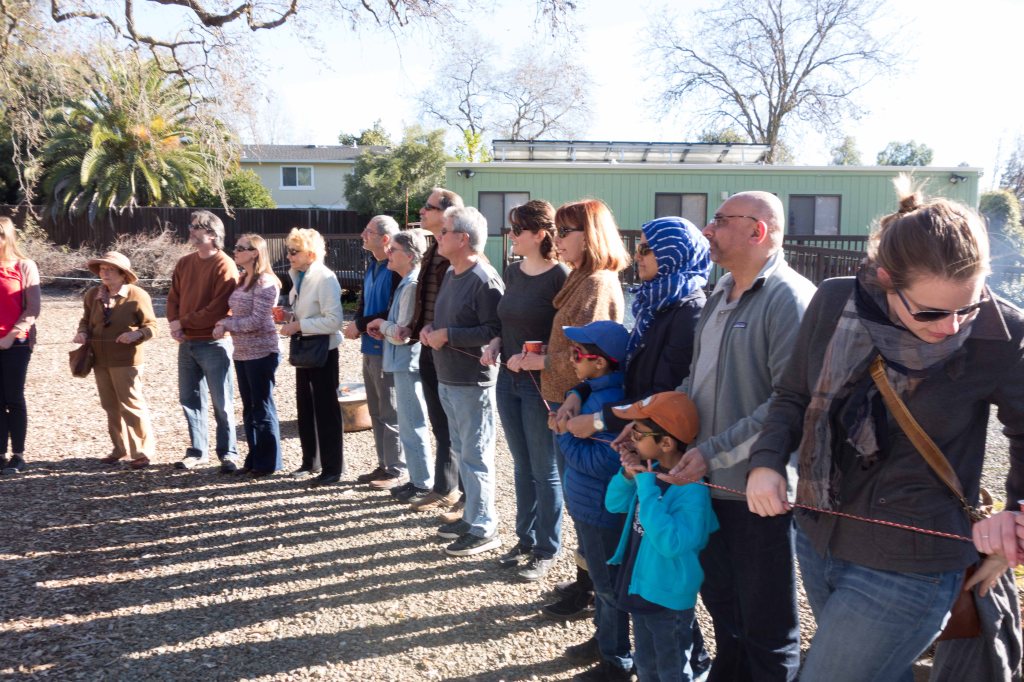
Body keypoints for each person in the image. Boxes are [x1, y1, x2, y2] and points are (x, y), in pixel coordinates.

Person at [746, 178, 1024, 681]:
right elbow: (792, 395)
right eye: (932, 312)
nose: (952, 326)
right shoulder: (835, 301)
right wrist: (766, 462)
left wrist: (1016, 521)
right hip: (819, 535)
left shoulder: (1001, 332)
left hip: (914, 564)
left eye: (968, 306)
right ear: (885, 280)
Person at [657, 191, 815, 682]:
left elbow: (790, 404)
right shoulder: (719, 293)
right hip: (708, 484)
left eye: (720, 220)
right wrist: (655, 426)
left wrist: (711, 452)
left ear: (757, 230)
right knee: (726, 613)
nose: (707, 230)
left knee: (767, 629)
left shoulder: (790, 298)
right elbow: (695, 381)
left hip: (758, 494)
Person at [557, 216, 713, 675]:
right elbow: (622, 373)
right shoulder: (656, 302)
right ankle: (630, 649)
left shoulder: (689, 310)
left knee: (660, 566)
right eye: (638, 246)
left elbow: (663, 391)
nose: (638, 256)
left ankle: (683, 658)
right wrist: (578, 392)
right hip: (640, 435)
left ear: (672, 255)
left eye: (647, 249)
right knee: (634, 562)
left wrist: (602, 420)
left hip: (661, 445)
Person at [523, 199, 628, 620]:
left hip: (583, 407)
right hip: (570, 399)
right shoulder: (581, 277)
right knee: (579, 498)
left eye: (565, 231)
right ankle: (588, 580)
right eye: (556, 231)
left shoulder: (597, 282)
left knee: (588, 501)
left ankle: (593, 589)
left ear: (591, 236)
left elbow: (592, 358)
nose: (557, 239)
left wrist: (543, 362)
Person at [483, 200, 569, 581]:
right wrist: (495, 343)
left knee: (544, 468)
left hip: (540, 384)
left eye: (517, 229)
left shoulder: (560, 277)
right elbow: (506, 322)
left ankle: (547, 548)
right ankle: (525, 539)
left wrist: (540, 357)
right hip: (508, 380)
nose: (511, 235)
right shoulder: (512, 272)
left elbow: (567, 338)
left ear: (539, 234)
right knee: (521, 465)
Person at [607, 392, 718, 682]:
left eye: (638, 434)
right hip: (640, 587)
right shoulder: (650, 472)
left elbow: (672, 543)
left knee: (672, 670)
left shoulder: (693, 490)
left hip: (667, 598)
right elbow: (613, 504)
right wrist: (628, 476)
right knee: (646, 665)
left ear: (666, 443)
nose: (632, 441)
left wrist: (646, 487)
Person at [422, 206, 504, 557]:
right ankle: (471, 516)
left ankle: (484, 526)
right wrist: (431, 329)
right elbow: (449, 321)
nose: (438, 237)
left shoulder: (484, 279)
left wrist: (448, 335)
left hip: (472, 381)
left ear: (463, 239)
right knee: (462, 450)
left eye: (445, 231)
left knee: (476, 456)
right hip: (449, 377)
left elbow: (495, 330)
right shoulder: (452, 273)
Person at [554, 320, 632, 681]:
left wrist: (563, 433)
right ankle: (603, 640)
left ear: (599, 363)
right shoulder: (594, 392)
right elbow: (583, 387)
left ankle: (616, 660)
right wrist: (573, 399)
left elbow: (601, 463)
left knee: (608, 586)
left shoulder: (608, 404)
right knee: (601, 581)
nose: (571, 360)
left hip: (601, 510)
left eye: (577, 354)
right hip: (589, 507)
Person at [167, 210, 239, 472]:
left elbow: (218, 309)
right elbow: (173, 297)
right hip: (187, 342)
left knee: (222, 402)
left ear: (211, 233)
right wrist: (174, 323)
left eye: (196, 227)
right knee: (190, 399)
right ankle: (198, 452)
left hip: (214, 343)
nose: (190, 230)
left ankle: (228, 453)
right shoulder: (185, 263)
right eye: (191, 226)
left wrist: (182, 322)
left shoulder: (224, 264)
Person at [408, 188, 465, 517]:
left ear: (447, 214)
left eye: (427, 207)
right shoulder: (434, 249)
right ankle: (444, 488)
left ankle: (469, 499)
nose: (421, 211)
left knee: (460, 430)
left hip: (452, 351)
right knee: (441, 425)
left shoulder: (460, 253)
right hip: (429, 347)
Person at [74, 252, 157, 469]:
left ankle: (141, 452)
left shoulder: (137, 295)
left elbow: (152, 327)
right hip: (99, 360)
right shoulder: (93, 294)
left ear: (123, 274)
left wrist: (135, 334)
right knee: (110, 406)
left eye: (110, 269)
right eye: (102, 269)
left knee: (131, 405)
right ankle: (119, 449)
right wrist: (82, 333)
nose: (105, 273)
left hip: (127, 360)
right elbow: (85, 321)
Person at [367, 229, 432, 504]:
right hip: (400, 362)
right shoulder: (406, 282)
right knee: (406, 423)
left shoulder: (412, 284)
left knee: (413, 423)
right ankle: (416, 480)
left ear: (409, 255)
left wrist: (382, 325)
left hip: (407, 363)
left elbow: (402, 333)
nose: (388, 253)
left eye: (393, 249)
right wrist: (385, 329)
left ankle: (423, 483)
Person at [279, 227, 345, 485]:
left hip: (323, 352)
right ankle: (311, 461)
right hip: (306, 349)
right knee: (305, 408)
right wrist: (291, 318)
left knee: (326, 409)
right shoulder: (299, 275)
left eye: (294, 251)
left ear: (311, 254)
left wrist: (299, 325)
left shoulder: (325, 278)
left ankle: (333, 468)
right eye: (289, 251)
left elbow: (334, 321)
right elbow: (308, 314)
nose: (289, 256)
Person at [213, 234, 282, 477]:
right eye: (236, 247)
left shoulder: (265, 282)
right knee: (250, 409)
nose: (235, 251)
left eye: (241, 248)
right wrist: (225, 321)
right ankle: (253, 459)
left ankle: (268, 463)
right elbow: (240, 314)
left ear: (255, 252)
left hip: (262, 352)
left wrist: (226, 324)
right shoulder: (243, 279)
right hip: (242, 352)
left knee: (262, 408)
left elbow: (257, 321)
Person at [345, 215, 404, 490]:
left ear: (385, 238)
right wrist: (358, 323)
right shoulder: (373, 265)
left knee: (390, 410)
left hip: (387, 348)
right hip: (369, 347)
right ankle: (384, 464)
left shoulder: (395, 269)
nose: (362, 235)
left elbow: (393, 311)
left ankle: (396, 469)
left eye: (368, 231)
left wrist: (359, 324)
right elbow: (364, 302)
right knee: (376, 410)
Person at [0, 218, 38, 475]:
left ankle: (18, 454)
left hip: (16, 343)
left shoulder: (24, 266)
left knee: (13, 397)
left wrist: (11, 336)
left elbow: (33, 308)